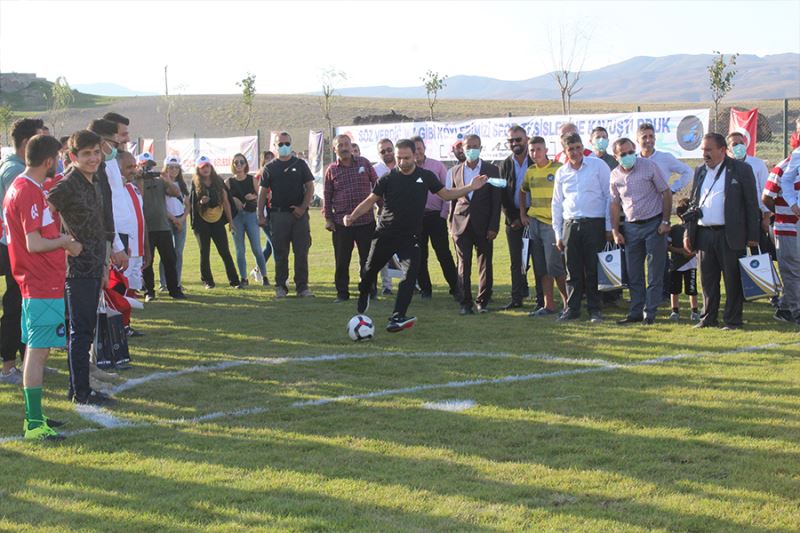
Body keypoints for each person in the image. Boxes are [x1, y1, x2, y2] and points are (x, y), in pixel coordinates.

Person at [343, 139, 488, 332]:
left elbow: (446, 194)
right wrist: (352, 216)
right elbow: (371, 200)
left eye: (406, 158)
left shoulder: (426, 176)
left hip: (410, 237)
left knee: (410, 275)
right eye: (399, 158)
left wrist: (470, 187)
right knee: (369, 271)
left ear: (415, 156)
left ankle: (397, 317)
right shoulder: (387, 178)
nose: (402, 162)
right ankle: (364, 292)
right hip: (385, 234)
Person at [3, 135, 82, 439]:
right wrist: (66, 243)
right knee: (38, 352)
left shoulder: (29, 188)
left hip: (39, 282)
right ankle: (34, 423)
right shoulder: (26, 191)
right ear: (49, 161)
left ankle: (35, 416)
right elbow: (34, 243)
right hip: (39, 283)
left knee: (38, 350)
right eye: (60, 158)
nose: (61, 163)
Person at [47, 130, 113, 405]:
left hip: (94, 265)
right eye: (86, 154)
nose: (93, 158)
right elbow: (42, 210)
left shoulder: (94, 180)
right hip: (77, 268)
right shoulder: (68, 183)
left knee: (85, 330)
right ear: (73, 156)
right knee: (81, 330)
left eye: (96, 152)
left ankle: (77, 387)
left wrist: (105, 263)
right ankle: (81, 392)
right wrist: (63, 242)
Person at [684, 133, 760, 330]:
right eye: (702, 149)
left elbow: (751, 204)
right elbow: (694, 203)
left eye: (709, 149)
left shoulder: (741, 169)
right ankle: (708, 318)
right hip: (704, 233)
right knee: (708, 279)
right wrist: (687, 232)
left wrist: (753, 235)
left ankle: (733, 320)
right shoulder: (700, 170)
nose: (704, 153)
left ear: (722, 150)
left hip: (730, 233)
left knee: (732, 279)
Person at [609, 138, 672, 325]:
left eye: (631, 152)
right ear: (616, 156)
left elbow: (666, 192)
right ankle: (635, 311)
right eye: (623, 154)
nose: (628, 156)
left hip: (654, 224)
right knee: (634, 273)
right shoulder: (614, 175)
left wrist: (666, 221)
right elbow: (614, 204)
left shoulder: (649, 166)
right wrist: (615, 230)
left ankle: (650, 313)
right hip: (630, 227)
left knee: (654, 271)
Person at [552, 132, 612, 323]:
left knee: (593, 269)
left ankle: (595, 309)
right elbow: (557, 204)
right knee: (572, 269)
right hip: (571, 225)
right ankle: (572, 308)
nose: (575, 152)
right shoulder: (561, 173)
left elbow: (609, 196)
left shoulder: (598, 166)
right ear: (565, 151)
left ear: (583, 147)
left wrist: (609, 226)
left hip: (594, 223)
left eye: (578, 147)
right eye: (571, 149)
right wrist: (558, 233)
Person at [0, 118, 43, 385]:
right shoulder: (15, 172)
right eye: (41, 141)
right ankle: (8, 367)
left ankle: (30, 362)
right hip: (13, 247)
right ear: (28, 143)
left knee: (24, 305)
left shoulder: (18, 168)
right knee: (15, 304)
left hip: (19, 245)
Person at [256, 132, 315, 298]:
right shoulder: (270, 168)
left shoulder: (301, 164)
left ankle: (302, 287)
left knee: (301, 252)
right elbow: (262, 193)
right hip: (278, 215)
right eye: (280, 144)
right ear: (275, 146)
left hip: (299, 216)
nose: (283, 146)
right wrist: (260, 214)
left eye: (286, 143)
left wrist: (303, 208)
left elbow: (310, 187)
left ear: (291, 143)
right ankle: (281, 286)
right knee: (280, 253)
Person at [449, 134, 502, 314]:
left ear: (480, 148)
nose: (471, 149)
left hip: (484, 224)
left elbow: (496, 201)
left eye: (475, 146)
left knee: (485, 263)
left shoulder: (492, 169)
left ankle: (483, 301)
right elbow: (453, 199)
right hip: (460, 223)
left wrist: (494, 226)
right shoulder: (455, 171)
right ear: (462, 149)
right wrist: (451, 224)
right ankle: (465, 303)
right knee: (463, 263)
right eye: (468, 146)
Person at [324, 135, 378, 302]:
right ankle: (342, 293)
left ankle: (369, 291)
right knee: (342, 260)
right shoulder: (331, 170)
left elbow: (377, 186)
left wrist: (383, 208)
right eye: (340, 145)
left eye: (346, 144)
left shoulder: (364, 163)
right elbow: (327, 196)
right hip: (341, 223)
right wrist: (328, 219)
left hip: (366, 220)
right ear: (334, 149)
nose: (344, 147)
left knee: (368, 260)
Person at [520, 136, 567, 317]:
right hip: (535, 224)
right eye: (532, 150)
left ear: (546, 150)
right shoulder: (530, 171)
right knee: (541, 268)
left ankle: (568, 304)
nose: (535, 153)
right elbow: (523, 191)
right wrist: (524, 214)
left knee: (555, 267)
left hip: (552, 225)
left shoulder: (557, 169)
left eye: (539, 149)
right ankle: (549, 306)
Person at [410, 135, 458, 299]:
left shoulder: (436, 166)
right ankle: (425, 289)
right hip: (416, 219)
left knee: (443, 253)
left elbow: (448, 190)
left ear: (424, 147)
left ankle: (455, 287)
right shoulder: (406, 169)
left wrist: (444, 214)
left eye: (420, 146)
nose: (418, 150)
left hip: (436, 217)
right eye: (414, 147)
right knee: (419, 256)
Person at [137, 153, 185, 301]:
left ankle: (174, 290)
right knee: (147, 261)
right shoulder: (134, 182)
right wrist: (140, 178)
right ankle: (149, 291)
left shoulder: (160, 182)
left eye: (150, 166)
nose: (148, 169)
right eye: (145, 166)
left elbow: (176, 193)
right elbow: (140, 195)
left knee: (170, 259)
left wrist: (166, 179)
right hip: (146, 228)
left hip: (163, 227)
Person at [762, 139, 800, 324]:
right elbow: (767, 197)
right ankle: (796, 311)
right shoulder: (783, 166)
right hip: (787, 228)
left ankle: (785, 308)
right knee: (792, 270)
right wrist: (782, 214)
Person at [189, 156, 240, 289]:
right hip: (201, 222)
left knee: (224, 251)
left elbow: (226, 202)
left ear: (211, 167)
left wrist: (230, 222)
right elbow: (192, 204)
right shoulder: (195, 183)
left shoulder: (219, 181)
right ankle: (208, 281)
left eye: (207, 166)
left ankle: (234, 281)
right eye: (202, 167)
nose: (205, 169)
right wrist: (201, 202)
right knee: (204, 252)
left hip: (217, 220)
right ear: (198, 170)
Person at [499, 125, 535, 310]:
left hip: (535, 217)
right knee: (516, 261)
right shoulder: (506, 164)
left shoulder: (536, 161)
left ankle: (542, 300)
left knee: (537, 259)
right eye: (511, 140)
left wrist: (528, 216)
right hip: (512, 218)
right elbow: (503, 193)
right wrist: (514, 218)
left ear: (526, 139)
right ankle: (516, 298)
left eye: (518, 139)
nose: (515, 143)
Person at [726, 131, 772, 254]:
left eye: (742, 143)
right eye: (735, 144)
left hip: (755, 215)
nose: (739, 146)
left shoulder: (757, 164)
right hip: (735, 216)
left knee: (759, 253)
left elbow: (765, 191)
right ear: (727, 148)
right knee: (738, 252)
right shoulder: (725, 166)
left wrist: (766, 217)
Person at [226, 153, 267, 286]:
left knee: (256, 248)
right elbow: (224, 200)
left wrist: (253, 197)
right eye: (236, 162)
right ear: (232, 164)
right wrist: (233, 200)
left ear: (245, 165)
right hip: (236, 217)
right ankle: (243, 278)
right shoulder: (229, 182)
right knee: (240, 250)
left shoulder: (252, 179)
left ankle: (264, 275)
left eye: (241, 162)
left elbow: (261, 195)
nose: (238, 165)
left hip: (250, 216)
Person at [159, 155, 189, 292]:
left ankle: (177, 281)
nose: (174, 170)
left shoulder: (182, 184)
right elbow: (160, 205)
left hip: (181, 221)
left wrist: (181, 219)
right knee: (166, 253)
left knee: (178, 252)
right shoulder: (161, 183)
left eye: (177, 167)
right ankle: (163, 283)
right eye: (171, 167)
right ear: (166, 168)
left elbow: (187, 205)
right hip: (167, 221)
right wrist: (173, 219)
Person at [667, 199, 700, 322]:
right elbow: (667, 245)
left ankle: (694, 311)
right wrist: (681, 251)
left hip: (691, 265)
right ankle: (674, 311)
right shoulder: (674, 229)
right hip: (676, 265)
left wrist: (691, 254)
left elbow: (698, 246)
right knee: (674, 289)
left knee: (692, 289)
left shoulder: (696, 229)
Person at [373, 138, 397, 296]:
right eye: (383, 151)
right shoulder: (374, 170)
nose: (387, 153)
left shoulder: (404, 165)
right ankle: (387, 285)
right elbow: (372, 194)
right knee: (383, 251)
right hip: (383, 216)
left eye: (389, 149)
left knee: (409, 251)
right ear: (378, 153)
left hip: (406, 216)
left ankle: (413, 283)